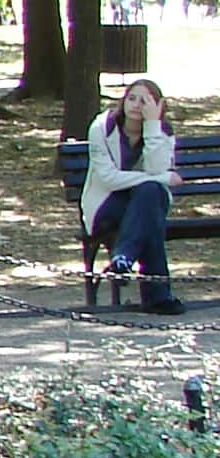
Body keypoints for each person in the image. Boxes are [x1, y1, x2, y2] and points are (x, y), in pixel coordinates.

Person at [83, 76, 188, 315]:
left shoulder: (163, 132)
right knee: (151, 203)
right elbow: (108, 178)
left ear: (158, 106)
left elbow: (156, 167)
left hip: (144, 205)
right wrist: (161, 179)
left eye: (145, 101)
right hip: (107, 204)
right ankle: (158, 296)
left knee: (149, 197)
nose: (136, 105)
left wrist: (152, 127)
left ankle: (122, 259)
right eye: (131, 98)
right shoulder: (102, 127)